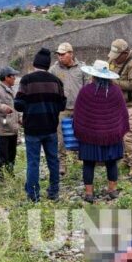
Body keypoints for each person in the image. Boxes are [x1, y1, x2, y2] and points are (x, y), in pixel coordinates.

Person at [14, 48, 66, 202]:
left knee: (33, 162)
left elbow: (18, 104)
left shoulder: (26, 81)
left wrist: (30, 107)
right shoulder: (56, 81)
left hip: (32, 129)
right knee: (53, 160)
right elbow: (62, 105)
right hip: (50, 127)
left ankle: (33, 195)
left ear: (34, 64)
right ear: (48, 65)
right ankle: (54, 192)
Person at [73, 61, 129, 203]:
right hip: (111, 135)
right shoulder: (116, 91)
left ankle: (89, 193)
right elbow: (122, 114)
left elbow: (78, 114)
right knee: (111, 163)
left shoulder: (85, 91)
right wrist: (118, 130)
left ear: (93, 75)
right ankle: (112, 190)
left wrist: (80, 131)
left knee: (88, 163)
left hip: (89, 135)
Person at [107, 39, 132, 178]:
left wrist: (113, 82)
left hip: (130, 105)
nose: (115, 59)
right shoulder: (112, 61)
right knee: (119, 134)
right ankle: (126, 159)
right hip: (116, 104)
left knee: (129, 135)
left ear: (125, 53)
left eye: (117, 56)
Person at [49, 42, 87, 175]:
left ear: (71, 54)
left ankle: (83, 160)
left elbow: (87, 87)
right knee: (60, 136)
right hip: (62, 109)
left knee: (82, 134)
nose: (60, 57)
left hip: (79, 109)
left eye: (63, 54)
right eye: (58, 54)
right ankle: (62, 163)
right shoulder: (54, 70)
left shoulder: (82, 68)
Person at [0, 66, 21, 182]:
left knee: (11, 156)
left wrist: (19, 119)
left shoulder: (11, 90)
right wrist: (1, 107)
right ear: (6, 78)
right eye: (13, 76)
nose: (15, 78)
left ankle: (10, 175)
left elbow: (15, 108)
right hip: (2, 130)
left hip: (12, 129)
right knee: (0, 157)